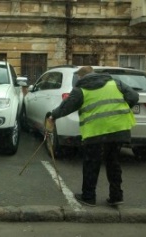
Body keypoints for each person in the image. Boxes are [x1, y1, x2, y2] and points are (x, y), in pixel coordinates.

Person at [49, 66, 139, 207]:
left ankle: (89, 197)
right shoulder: (114, 82)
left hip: (96, 131)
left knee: (92, 163)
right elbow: (134, 97)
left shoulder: (81, 89)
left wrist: (53, 115)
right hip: (119, 128)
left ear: (81, 77)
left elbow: (67, 107)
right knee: (113, 162)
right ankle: (116, 196)